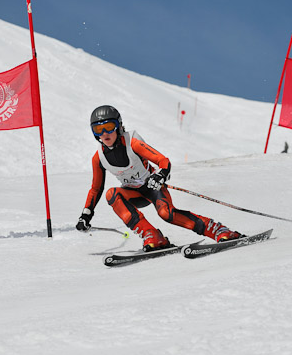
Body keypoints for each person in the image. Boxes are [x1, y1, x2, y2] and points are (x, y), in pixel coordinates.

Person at [75, 105, 243, 251]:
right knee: (112, 194)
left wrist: (160, 175)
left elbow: (163, 161)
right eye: (98, 129)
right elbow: (96, 189)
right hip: (134, 194)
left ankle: (219, 230)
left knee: (166, 214)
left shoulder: (132, 143)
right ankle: (153, 236)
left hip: (153, 188)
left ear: (118, 126)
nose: (104, 133)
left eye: (109, 126)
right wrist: (86, 215)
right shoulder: (98, 158)